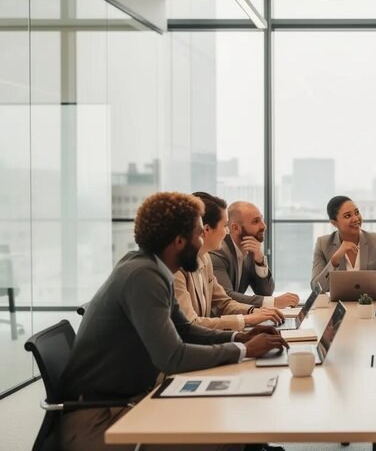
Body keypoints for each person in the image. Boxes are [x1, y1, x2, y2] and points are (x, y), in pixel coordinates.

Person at [59, 192, 288, 451]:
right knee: (226, 434)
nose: (204, 241)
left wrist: (239, 337)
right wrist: (246, 350)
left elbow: (187, 329)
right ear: (180, 241)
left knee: (237, 425)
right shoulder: (143, 276)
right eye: (199, 234)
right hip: (100, 419)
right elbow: (173, 357)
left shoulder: (154, 269)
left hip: (127, 400)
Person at [174, 192, 285, 331]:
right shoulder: (176, 268)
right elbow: (191, 324)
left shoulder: (205, 258)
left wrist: (254, 311)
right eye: (225, 225)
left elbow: (224, 302)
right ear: (206, 229)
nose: (227, 232)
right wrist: (247, 319)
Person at [210, 200, 299, 309]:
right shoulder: (218, 252)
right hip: (218, 322)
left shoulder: (251, 250)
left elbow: (265, 292)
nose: (264, 226)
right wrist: (274, 302)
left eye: (261, 219)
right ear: (235, 228)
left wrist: (260, 261)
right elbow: (226, 296)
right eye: (256, 221)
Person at [311, 196, 376, 297]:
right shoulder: (322, 244)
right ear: (334, 223)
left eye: (357, 212)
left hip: (370, 306)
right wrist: (334, 261)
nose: (356, 219)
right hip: (338, 308)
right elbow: (316, 289)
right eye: (347, 216)